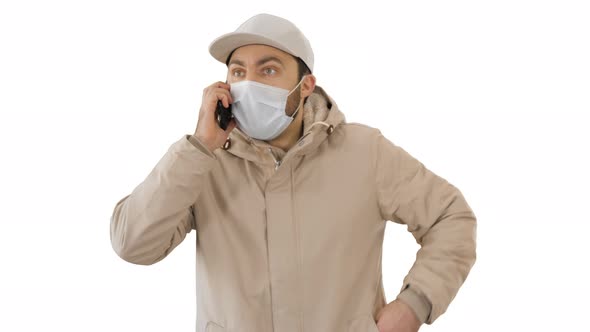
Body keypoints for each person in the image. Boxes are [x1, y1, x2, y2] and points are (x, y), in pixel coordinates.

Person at [109, 13, 477, 332]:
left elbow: (451, 217)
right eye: (238, 72)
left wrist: (414, 305)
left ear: (306, 86)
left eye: (268, 70)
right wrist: (199, 147)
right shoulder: (203, 163)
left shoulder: (365, 153)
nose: (249, 84)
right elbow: (133, 245)